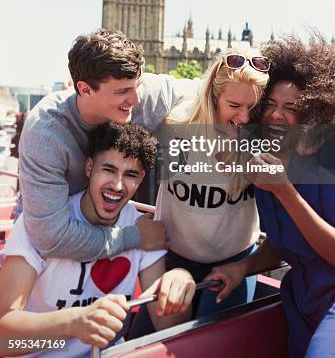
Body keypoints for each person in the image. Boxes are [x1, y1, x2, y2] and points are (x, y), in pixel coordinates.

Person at [206, 37, 335, 358]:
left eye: (291, 108)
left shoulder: (332, 160)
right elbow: (286, 240)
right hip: (302, 308)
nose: (276, 116)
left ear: (313, 114)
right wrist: (242, 268)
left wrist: (284, 190)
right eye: (269, 104)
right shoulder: (264, 164)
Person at [0, 122, 196, 357]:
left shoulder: (141, 226)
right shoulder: (41, 223)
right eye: (109, 170)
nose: (118, 185)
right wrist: (73, 324)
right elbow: (4, 342)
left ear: (141, 179)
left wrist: (178, 282)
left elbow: (169, 327)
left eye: (130, 174)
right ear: (89, 167)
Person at [18, 29, 200, 262]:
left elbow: (212, 88)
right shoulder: (45, 132)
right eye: (123, 92)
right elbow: (51, 237)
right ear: (84, 89)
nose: (135, 100)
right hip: (49, 252)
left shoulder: (142, 94)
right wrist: (132, 237)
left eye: (138, 85)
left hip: (109, 228)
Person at [155, 49, 269, 317]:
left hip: (233, 263)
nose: (244, 117)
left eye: (252, 107)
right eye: (234, 106)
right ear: (214, 97)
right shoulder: (175, 124)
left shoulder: (261, 139)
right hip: (173, 261)